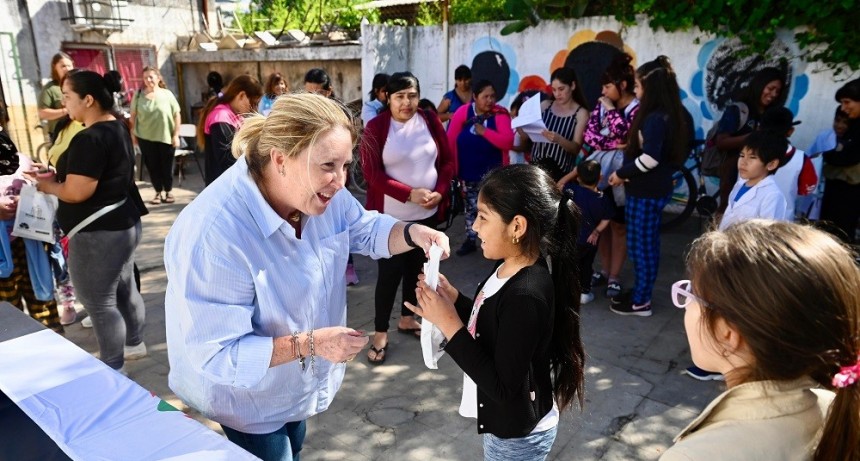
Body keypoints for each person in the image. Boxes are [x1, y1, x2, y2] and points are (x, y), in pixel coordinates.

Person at [164, 92, 451, 461]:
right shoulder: (214, 233)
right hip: (244, 398)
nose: (340, 182)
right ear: (281, 159)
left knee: (294, 444)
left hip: (295, 385)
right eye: (328, 165)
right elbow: (219, 352)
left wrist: (413, 233)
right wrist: (311, 344)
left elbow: (361, 227)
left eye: (346, 165)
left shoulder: (320, 193)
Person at [405, 164, 585, 460]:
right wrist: (454, 299)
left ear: (517, 226)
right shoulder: (508, 265)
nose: (474, 226)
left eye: (483, 217)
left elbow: (502, 387)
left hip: (519, 437)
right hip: (507, 427)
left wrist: (449, 324)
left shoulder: (527, 294)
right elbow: (491, 321)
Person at [661, 220, 860, 461]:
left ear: (728, 333)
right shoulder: (836, 409)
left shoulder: (696, 455)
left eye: (693, 294)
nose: (686, 304)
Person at [29, 70, 148, 374]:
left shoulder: (90, 137)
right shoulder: (117, 127)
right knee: (123, 288)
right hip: (122, 224)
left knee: (98, 302)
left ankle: (113, 367)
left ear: (89, 99)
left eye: (67, 97)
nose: (64, 103)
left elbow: (77, 191)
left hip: (99, 233)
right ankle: (134, 344)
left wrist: (48, 186)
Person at [360, 72, 454, 364]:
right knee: (388, 276)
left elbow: (449, 161)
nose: (407, 102)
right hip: (390, 221)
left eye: (412, 95)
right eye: (399, 96)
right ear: (387, 98)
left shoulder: (429, 120)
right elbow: (371, 174)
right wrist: (408, 193)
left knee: (418, 272)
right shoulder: (376, 127)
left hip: (426, 216)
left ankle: (406, 318)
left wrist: (439, 191)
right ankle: (380, 333)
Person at [608, 56, 692, 317]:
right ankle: (640, 294)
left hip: (645, 192)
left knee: (641, 248)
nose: (635, 90)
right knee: (646, 245)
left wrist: (621, 174)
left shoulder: (656, 117)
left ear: (651, 87)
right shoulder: (675, 114)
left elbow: (651, 158)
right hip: (653, 190)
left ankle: (641, 301)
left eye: (638, 85)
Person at [560, 53, 639, 300]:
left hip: (622, 177)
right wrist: (612, 142)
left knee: (619, 226)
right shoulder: (602, 104)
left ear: (622, 85)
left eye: (607, 86)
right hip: (600, 175)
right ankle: (604, 270)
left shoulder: (635, 108)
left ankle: (614, 276)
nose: (603, 91)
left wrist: (612, 115)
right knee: (599, 226)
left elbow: (627, 137)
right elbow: (590, 137)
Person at [0, 128, 64, 333]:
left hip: (31, 242)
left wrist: (37, 188)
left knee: (42, 297)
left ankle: (54, 344)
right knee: (7, 308)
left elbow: (43, 190)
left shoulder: (23, 161)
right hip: (3, 254)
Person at [447, 79, 514, 256]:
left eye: (492, 96)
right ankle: (471, 239)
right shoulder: (464, 112)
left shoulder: (500, 115)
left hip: (494, 176)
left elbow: (507, 142)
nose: (490, 100)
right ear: (475, 97)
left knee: (494, 209)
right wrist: (452, 170)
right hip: (468, 173)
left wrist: (485, 132)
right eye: (485, 96)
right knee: (470, 209)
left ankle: (496, 242)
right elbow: (450, 140)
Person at [715, 68, 786, 214]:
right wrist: (754, 138)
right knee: (728, 210)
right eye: (770, 88)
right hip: (733, 172)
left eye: (777, 91)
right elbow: (721, 142)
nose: (773, 94)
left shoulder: (773, 114)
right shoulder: (738, 110)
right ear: (760, 85)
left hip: (761, 174)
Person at [197, 74, 263, 185]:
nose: (254, 109)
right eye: (253, 103)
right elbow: (227, 160)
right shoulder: (220, 117)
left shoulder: (234, 115)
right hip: (222, 186)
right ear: (241, 95)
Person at [526, 67, 589, 180]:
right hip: (535, 170)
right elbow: (527, 137)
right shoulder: (545, 105)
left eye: (561, 89)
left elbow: (575, 148)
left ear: (573, 86)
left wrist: (559, 139)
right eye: (554, 90)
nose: (557, 94)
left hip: (561, 174)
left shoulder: (581, 113)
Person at [130, 66, 181, 205]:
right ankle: (158, 192)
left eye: (151, 77)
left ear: (158, 78)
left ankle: (169, 191)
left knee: (167, 165)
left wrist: (176, 135)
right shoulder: (139, 95)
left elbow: (177, 115)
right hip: (145, 137)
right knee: (153, 166)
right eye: (145, 77)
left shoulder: (167, 94)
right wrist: (133, 136)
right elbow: (133, 117)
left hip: (166, 137)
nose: (148, 80)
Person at [565, 160, 612, 305]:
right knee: (586, 265)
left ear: (578, 177)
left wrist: (571, 174)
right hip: (591, 241)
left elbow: (558, 185)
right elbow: (607, 218)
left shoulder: (572, 191)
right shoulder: (603, 199)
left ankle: (566, 291)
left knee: (569, 266)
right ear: (600, 177)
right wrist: (596, 231)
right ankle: (584, 292)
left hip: (572, 239)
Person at [820, 78, 860, 243]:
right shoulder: (854, 124)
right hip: (836, 187)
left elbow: (847, 157)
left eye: (847, 102)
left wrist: (833, 155)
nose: (843, 108)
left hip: (851, 191)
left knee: (841, 235)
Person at [760, 106, 817, 220]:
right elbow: (807, 189)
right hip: (780, 227)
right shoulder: (802, 160)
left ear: (759, 128)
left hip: (741, 226)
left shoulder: (743, 152)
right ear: (790, 131)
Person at [801, 107, 850, 220]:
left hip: (836, 191)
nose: (840, 125)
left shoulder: (852, 142)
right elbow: (809, 156)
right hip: (817, 187)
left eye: (845, 123)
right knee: (809, 219)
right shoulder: (824, 137)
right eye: (837, 120)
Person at [38, 52, 74, 137]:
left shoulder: (79, 84)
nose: (67, 69)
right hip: (60, 135)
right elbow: (42, 113)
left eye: (69, 65)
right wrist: (66, 111)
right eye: (63, 66)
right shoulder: (50, 88)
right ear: (55, 68)